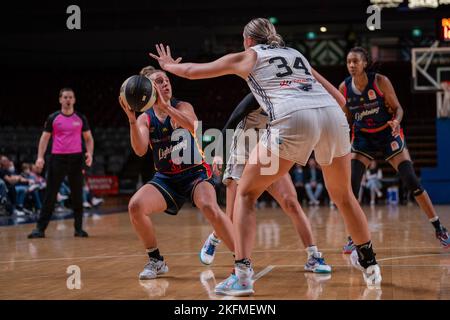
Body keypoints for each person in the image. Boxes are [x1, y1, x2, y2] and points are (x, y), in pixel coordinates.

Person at [150, 18, 382, 296]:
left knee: (246, 193)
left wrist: (168, 66)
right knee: (344, 196)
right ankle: (370, 265)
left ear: (248, 40)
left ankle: (243, 275)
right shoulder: (296, 55)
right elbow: (341, 100)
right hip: (331, 116)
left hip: (294, 117)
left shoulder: (249, 56)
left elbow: (192, 71)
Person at [118, 66, 236, 280]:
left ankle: (242, 261)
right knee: (135, 206)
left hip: (196, 173)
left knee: (209, 206)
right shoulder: (146, 118)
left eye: (166, 80)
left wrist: (168, 109)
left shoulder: (182, 105)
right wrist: (132, 120)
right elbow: (140, 149)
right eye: (159, 81)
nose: (166, 83)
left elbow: (194, 126)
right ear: (149, 90)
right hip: (166, 179)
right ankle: (156, 260)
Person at [199, 93, 331, 275]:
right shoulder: (257, 95)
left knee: (290, 202)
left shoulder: (292, 100)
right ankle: (223, 246)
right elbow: (232, 120)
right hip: (242, 152)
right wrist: (219, 153)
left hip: (269, 153)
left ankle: (313, 256)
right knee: (231, 217)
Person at [339, 47, 450, 253]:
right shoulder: (344, 88)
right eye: (349, 62)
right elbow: (345, 119)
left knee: (411, 181)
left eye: (355, 61)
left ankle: (439, 228)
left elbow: (398, 108)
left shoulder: (380, 81)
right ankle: (354, 237)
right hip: (363, 136)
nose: (352, 65)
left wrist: (396, 122)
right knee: (351, 186)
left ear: (365, 63)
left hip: (387, 133)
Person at [28, 88, 94, 238]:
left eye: (70, 97)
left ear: (74, 100)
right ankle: (40, 229)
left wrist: (89, 153)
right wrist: (40, 157)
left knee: (77, 195)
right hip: (57, 159)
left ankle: (78, 229)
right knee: (50, 195)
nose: (68, 100)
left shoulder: (80, 118)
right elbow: (44, 139)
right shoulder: (53, 118)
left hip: (76, 159)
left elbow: (89, 138)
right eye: (65, 97)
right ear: (60, 100)